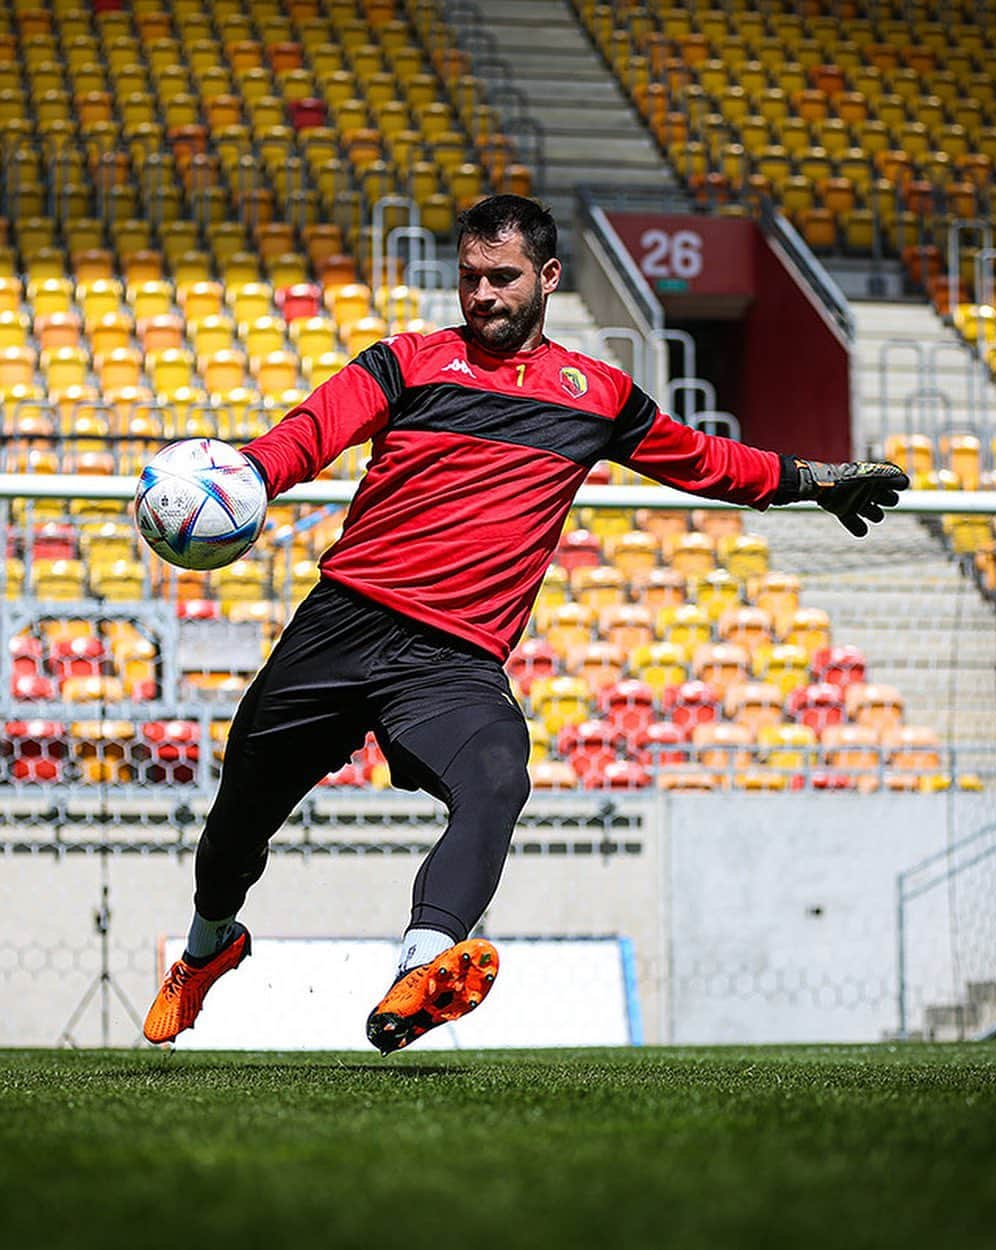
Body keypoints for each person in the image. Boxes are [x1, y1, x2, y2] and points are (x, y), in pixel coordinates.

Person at [142, 194, 908, 1054]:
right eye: (469, 277)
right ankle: (210, 948)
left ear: (545, 279)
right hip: (343, 623)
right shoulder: (407, 362)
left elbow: (703, 461)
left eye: (500, 278)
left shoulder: (597, 395)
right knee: (239, 815)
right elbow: (312, 433)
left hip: (453, 659)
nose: (481, 295)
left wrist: (811, 479)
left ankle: (420, 970)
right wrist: (246, 474)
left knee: (499, 776)